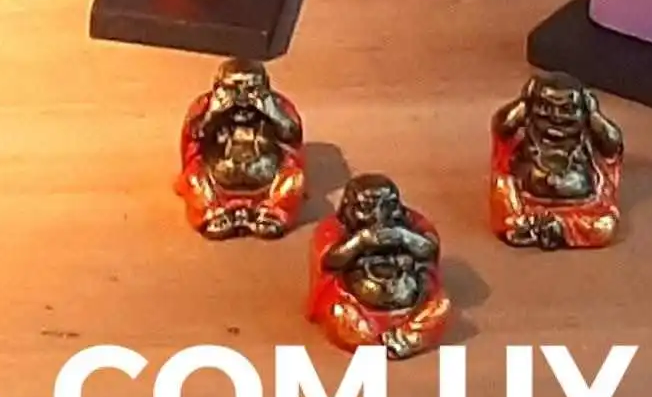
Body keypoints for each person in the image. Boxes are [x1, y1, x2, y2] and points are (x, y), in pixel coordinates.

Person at [308, 175, 453, 359]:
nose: (379, 215)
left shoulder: (412, 224)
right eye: (366, 208)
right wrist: (361, 241)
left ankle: (406, 338)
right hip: (359, 305)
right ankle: (372, 343)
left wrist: (403, 237)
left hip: (410, 300)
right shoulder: (335, 229)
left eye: (388, 206)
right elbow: (329, 260)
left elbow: (430, 248)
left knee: (439, 306)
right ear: (348, 208)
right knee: (339, 314)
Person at [490, 73, 623, 250]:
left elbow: (613, 144)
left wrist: (594, 115)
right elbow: (502, 127)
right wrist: (523, 102)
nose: (556, 117)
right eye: (545, 107)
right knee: (502, 186)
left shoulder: (587, 137)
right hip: (527, 204)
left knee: (604, 226)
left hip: (579, 210)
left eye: (568, 109)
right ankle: (525, 226)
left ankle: (557, 228)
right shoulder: (526, 133)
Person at [176, 58, 307, 239]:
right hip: (218, 176)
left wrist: (272, 112)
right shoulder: (206, 105)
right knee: (194, 177)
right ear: (218, 86)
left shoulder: (276, 105)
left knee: (294, 178)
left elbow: (292, 135)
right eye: (232, 89)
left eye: (251, 89)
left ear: (265, 86)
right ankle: (212, 213)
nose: (242, 98)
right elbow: (194, 136)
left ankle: (272, 213)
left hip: (267, 175)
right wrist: (212, 115)